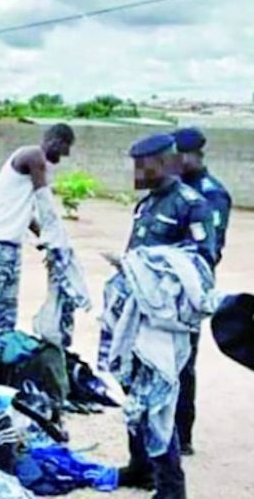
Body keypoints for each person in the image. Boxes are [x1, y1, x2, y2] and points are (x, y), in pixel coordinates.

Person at [108, 133, 216, 499]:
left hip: (166, 323)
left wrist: (150, 268)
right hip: (138, 316)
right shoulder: (147, 204)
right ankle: (141, 468)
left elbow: (201, 264)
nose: (137, 173)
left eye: (143, 166)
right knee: (134, 392)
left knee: (160, 399)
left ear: (166, 162)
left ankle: (171, 488)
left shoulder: (192, 205)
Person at [0, 124, 75, 391]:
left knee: (5, 325)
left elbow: (30, 215)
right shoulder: (33, 156)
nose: (65, 155)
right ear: (56, 140)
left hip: (11, 250)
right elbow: (45, 202)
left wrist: (44, 240)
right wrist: (56, 241)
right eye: (65, 148)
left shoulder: (29, 164)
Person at [172, 127, 232, 456]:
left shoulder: (212, 194)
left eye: (178, 155)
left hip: (190, 289)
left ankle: (182, 435)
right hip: (163, 289)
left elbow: (210, 250)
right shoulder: (173, 188)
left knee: (183, 361)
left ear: (194, 155)